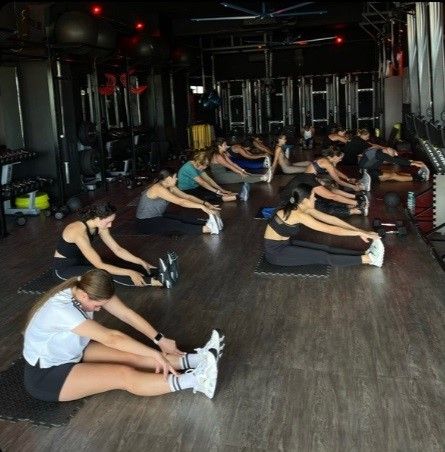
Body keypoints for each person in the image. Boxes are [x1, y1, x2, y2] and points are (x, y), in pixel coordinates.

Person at [23, 269, 225, 402]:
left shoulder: (87, 286)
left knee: (133, 356)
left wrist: (160, 340)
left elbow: (126, 314)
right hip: (46, 376)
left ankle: (200, 359)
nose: (99, 310)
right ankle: (197, 380)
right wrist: (155, 354)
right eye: (97, 306)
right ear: (84, 296)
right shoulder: (61, 310)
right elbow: (111, 338)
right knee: (123, 374)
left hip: (71, 352)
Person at [53, 203, 175, 288]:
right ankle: (157, 281)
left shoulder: (100, 226)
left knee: (117, 263)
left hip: (82, 260)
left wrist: (140, 261)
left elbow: (118, 249)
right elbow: (99, 265)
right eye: (108, 222)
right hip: (65, 269)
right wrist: (130, 272)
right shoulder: (77, 231)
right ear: (97, 218)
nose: (110, 225)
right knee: (103, 274)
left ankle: (159, 271)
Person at [264, 183, 384, 267]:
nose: (315, 199)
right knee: (322, 256)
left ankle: (364, 253)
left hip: (285, 244)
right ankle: (370, 259)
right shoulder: (299, 215)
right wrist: (359, 233)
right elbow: (332, 230)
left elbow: (331, 219)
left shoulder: (300, 207)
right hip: (276, 253)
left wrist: (361, 231)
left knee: (325, 248)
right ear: (305, 200)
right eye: (313, 196)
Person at [136, 169, 223, 235]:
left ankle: (208, 222)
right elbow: (181, 202)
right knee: (173, 224)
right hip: (145, 223)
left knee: (181, 217)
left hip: (157, 217)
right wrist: (202, 207)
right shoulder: (158, 188)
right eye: (175, 177)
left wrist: (206, 204)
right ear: (168, 178)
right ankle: (207, 229)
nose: (177, 179)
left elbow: (187, 197)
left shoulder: (171, 187)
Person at [305, 146, 370, 192]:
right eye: (340, 158)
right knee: (335, 186)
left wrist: (347, 179)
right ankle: (362, 187)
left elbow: (336, 171)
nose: (341, 160)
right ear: (335, 156)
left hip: (311, 178)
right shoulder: (327, 164)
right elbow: (338, 181)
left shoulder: (326, 159)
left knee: (334, 181)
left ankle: (358, 184)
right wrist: (353, 187)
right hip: (308, 183)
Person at [359, 146, 430, 186]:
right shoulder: (380, 154)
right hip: (368, 174)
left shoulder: (378, 150)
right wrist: (414, 164)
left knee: (394, 172)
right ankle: (420, 178)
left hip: (369, 170)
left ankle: (416, 175)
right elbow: (395, 160)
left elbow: (396, 159)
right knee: (393, 175)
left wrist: (413, 161)